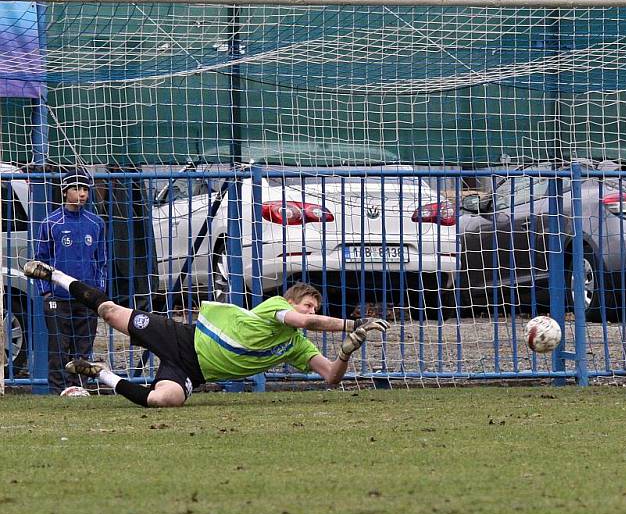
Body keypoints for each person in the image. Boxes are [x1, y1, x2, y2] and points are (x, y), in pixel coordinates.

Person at [23, 259, 389, 407]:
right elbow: (304, 322)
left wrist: (346, 352)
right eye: (306, 304)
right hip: (182, 338)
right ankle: (54, 274)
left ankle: (102, 373)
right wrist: (351, 323)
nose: (311, 312)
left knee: (162, 401)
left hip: (192, 372)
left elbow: (330, 378)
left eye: (315, 307)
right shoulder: (273, 308)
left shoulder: (296, 347)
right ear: (291, 303)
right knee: (109, 311)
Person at [34, 169, 107, 395]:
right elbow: (41, 260)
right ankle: (58, 391)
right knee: (59, 347)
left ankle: (80, 388)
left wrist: (99, 291)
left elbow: (102, 259)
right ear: (65, 191)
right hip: (58, 297)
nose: (82, 193)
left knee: (83, 347)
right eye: (76, 188)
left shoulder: (95, 223)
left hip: (86, 298)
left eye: (85, 189)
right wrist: (46, 292)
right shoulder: (51, 223)